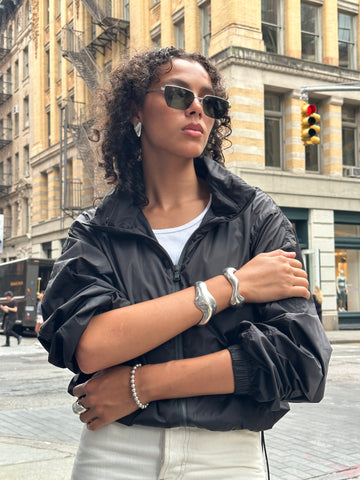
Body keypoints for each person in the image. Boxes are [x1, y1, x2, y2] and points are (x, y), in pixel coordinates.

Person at [39, 47, 332, 480]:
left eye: (210, 101)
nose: (197, 108)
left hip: (228, 454)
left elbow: (299, 360)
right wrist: (231, 286)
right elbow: (92, 345)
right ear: (136, 108)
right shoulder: (97, 230)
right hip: (116, 450)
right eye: (178, 95)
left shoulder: (255, 217)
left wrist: (140, 385)